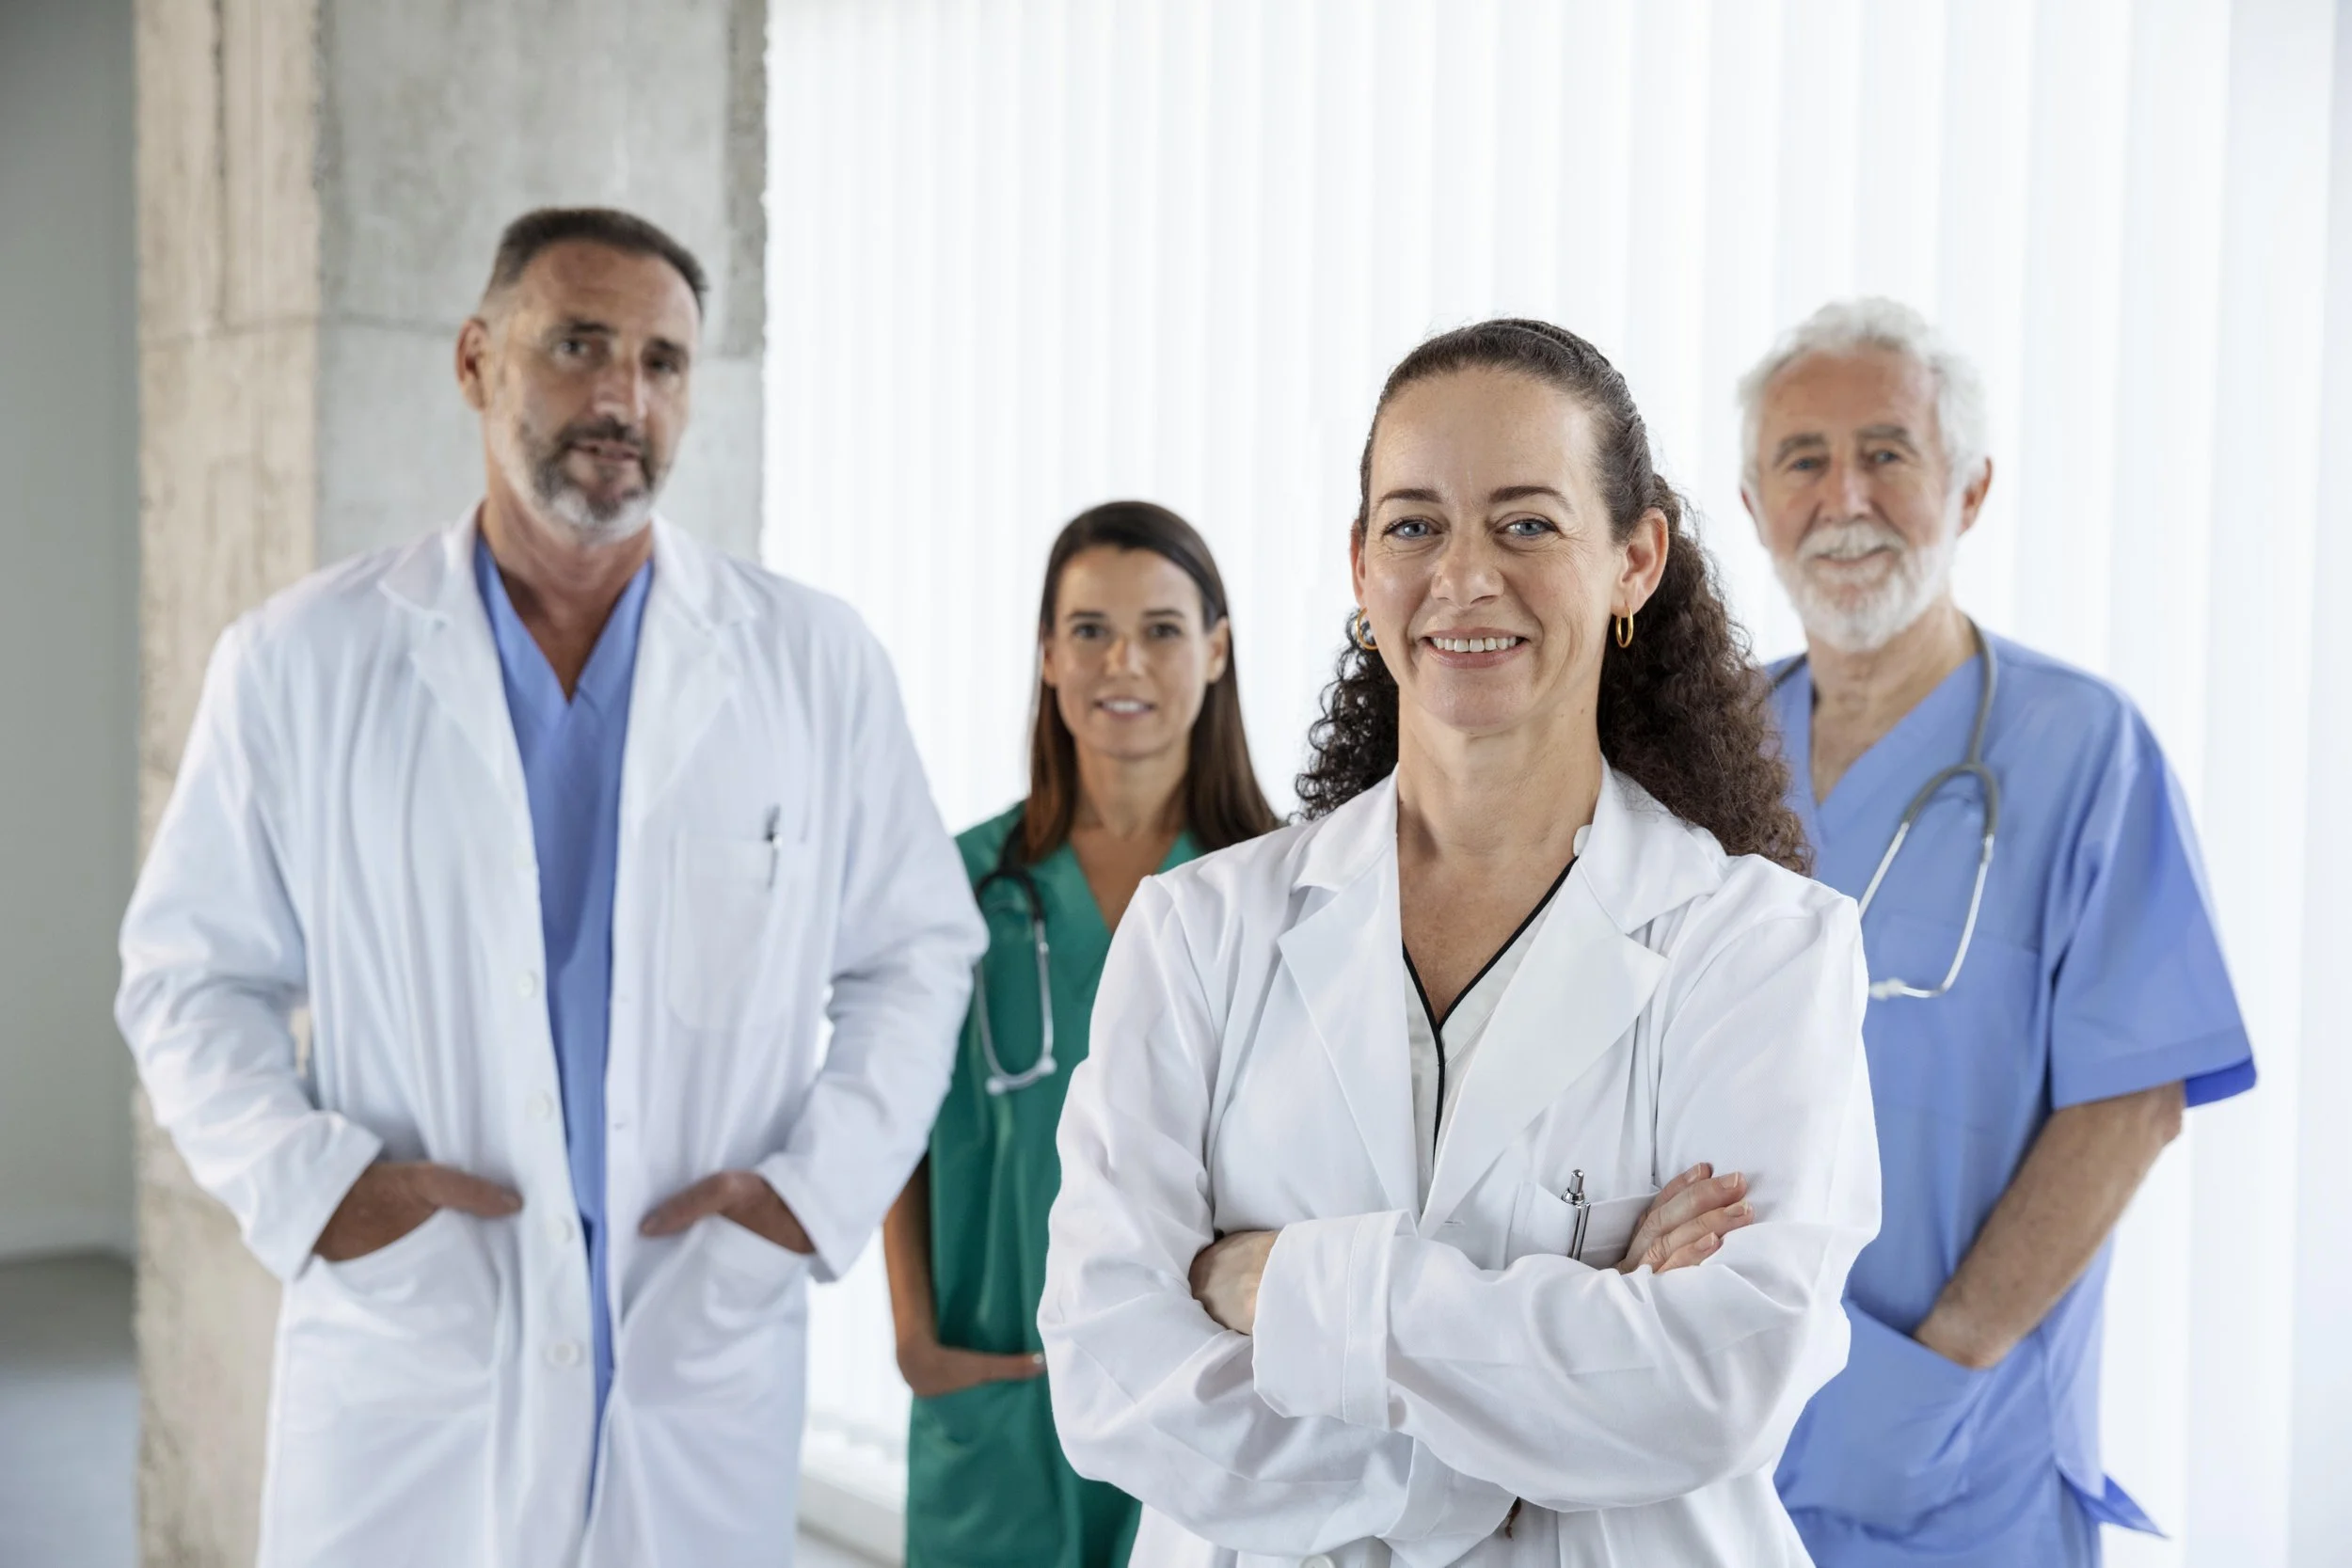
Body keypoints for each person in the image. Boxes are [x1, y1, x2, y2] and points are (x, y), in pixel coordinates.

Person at [113, 207, 985, 1568]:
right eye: (577, 344)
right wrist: (313, 1186)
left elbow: (918, 953)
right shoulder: (302, 660)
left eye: (664, 360)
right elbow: (187, 973)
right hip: (419, 1339)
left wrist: (810, 1192)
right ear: (475, 358)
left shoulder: (810, 661)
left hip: (698, 1326)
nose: (622, 397)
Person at [1039, 319, 1883, 1566]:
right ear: (1360, 562)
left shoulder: (1760, 948)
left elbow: (1721, 1377)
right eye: (1415, 523)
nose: (1464, 575)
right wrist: (1490, 1451)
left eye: (1528, 522)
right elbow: (1115, 1375)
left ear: (1635, 556)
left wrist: (1287, 1288)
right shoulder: (1201, 929)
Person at [1740, 297, 2256, 1567]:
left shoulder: (2081, 744)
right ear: (1753, 506)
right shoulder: (1710, 752)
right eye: (1802, 458)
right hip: (1720, 1420)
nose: (1843, 494)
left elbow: (2130, 1100)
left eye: (1889, 451)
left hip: (1955, 1448)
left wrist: (1936, 1371)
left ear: (1971, 488)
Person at [881, 500, 1281, 1568]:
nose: (1124, 661)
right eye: (1090, 629)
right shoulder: (958, 882)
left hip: (1210, 1380)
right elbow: (893, 1113)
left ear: (1215, 648)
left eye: (1159, 627)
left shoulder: (1285, 886)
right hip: (1001, 1374)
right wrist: (917, 1337)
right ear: (1049, 655)